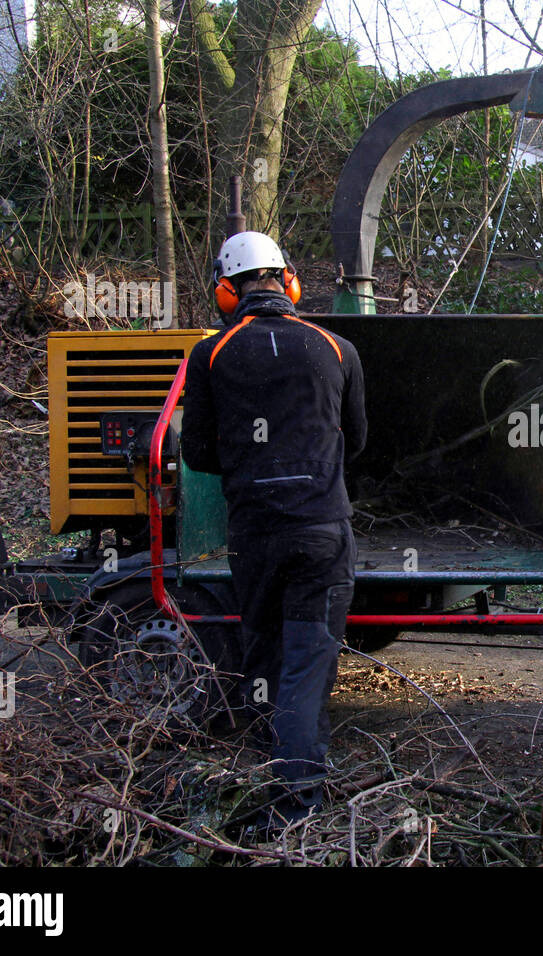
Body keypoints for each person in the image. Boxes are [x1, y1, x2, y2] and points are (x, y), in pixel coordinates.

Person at [181, 230, 367, 829]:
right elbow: (357, 441)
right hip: (321, 533)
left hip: (254, 535)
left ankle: (282, 783)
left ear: (226, 292)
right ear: (288, 281)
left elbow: (200, 453)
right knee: (308, 662)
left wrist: (255, 464)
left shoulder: (208, 356)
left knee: (265, 657)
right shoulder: (337, 349)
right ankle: (299, 804)